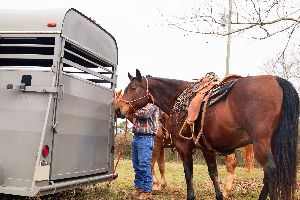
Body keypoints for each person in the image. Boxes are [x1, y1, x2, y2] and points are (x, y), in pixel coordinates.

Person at [130, 103, 159, 200]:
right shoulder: (138, 107)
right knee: (137, 165)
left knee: (144, 165)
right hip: (136, 137)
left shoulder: (151, 105)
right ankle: (139, 188)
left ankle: (147, 191)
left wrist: (131, 110)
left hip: (146, 137)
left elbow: (145, 114)